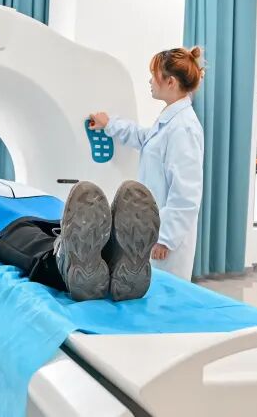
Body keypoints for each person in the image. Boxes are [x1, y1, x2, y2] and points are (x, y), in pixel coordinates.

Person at [0, 167, 161, 302]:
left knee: (75, 232)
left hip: (49, 207)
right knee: (28, 239)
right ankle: (64, 265)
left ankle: (115, 258)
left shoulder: (14, 182)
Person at [88, 47, 206, 280]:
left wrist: (165, 238)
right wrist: (109, 124)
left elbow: (186, 194)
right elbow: (145, 138)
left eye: (154, 75)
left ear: (170, 82)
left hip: (166, 242)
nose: (150, 81)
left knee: (166, 294)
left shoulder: (184, 128)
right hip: (152, 229)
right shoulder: (170, 119)